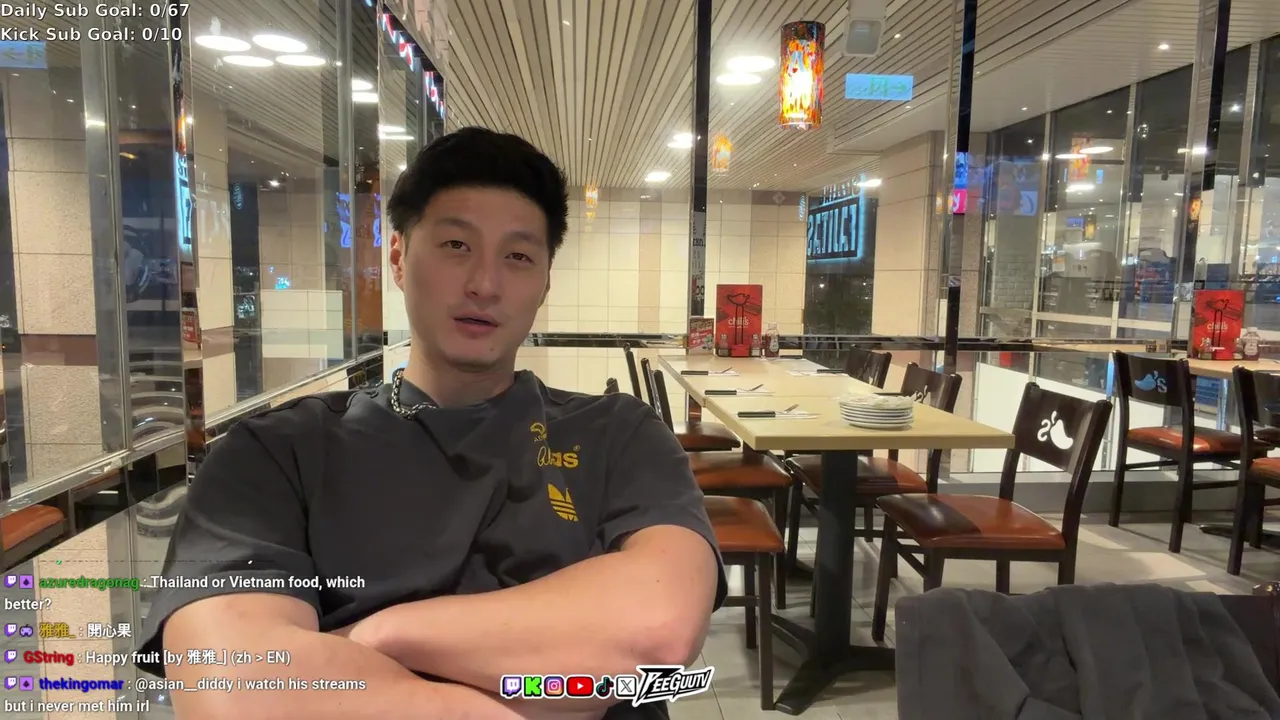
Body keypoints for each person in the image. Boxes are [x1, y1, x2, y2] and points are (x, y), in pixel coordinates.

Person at [135, 127, 727, 719]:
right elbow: (240, 691)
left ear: (545, 283)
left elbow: (659, 630)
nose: (485, 284)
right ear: (398, 257)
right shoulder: (275, 453)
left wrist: (378, 633)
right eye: (455, 245)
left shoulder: (619, 433)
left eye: (518, 256)